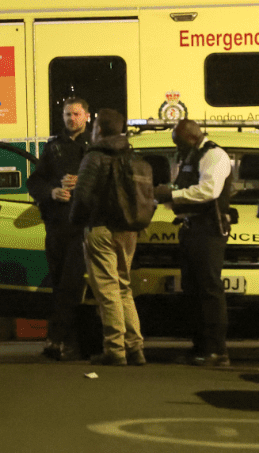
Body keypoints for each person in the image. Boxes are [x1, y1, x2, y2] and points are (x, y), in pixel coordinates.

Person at [70, 108, 145, 367]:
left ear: (98, 129)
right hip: (128, 230)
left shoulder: (96, 156)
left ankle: (115, 349)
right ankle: (135, 348)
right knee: (124, 287)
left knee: (108, 290)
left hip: (101, 229)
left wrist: (76, 222)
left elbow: (82, 195)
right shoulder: (131, 154)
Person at [156, 119, 233, 367]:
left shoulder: (214, 155)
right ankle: (200, 347)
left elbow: (208, 190)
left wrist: (172, 194)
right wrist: (163, 196)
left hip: (209, 230)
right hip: (191, 228)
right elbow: (183, 189)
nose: (176, 147)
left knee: (209, 289)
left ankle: (217, 351)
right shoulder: (190, 156)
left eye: (178, 142)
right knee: (192, 290)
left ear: (189, 138)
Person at [27, 97, 90, 361]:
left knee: (71, 286)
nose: (71, 118)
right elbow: (34, 182)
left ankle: (62, 340)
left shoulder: (94, 148)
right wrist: (52, 191)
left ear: (87, 116)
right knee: (58, 284)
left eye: (76, 114)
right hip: (56, 227)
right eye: (67, 114)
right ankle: (61, 341)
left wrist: (82, 183)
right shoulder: (53, 148)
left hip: (83, 228)